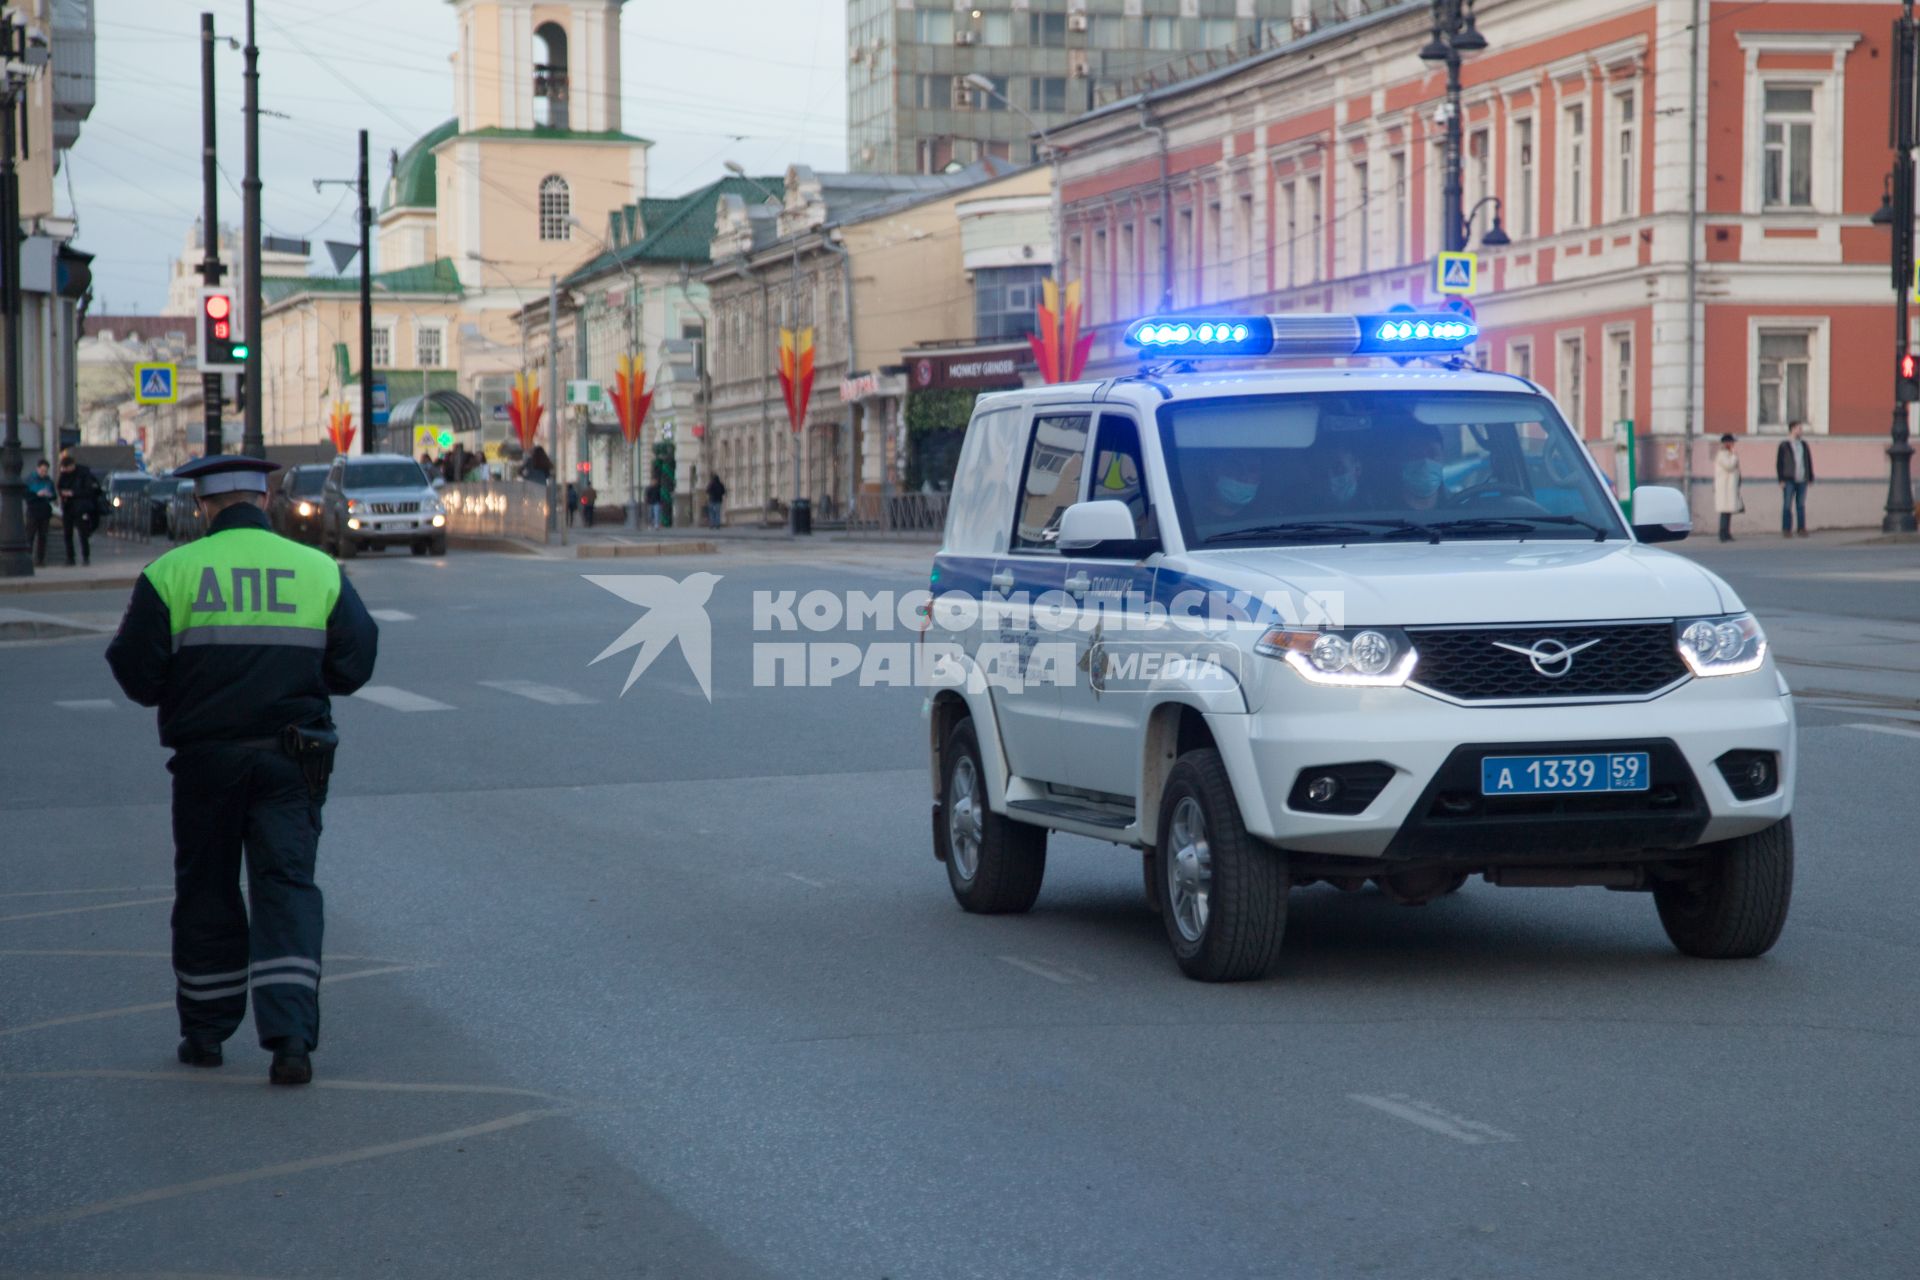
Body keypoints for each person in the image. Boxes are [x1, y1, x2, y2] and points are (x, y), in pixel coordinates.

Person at [104, 455, 379, 1086]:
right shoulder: (317, 569)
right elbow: (355, 664)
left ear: (204, 506)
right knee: (286, 888)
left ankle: (204, 1033)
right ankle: (290, 1044)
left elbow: (136, 673)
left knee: (206, 888)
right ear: (267, 500)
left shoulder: (170, 573)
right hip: (293, 759)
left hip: (205, 762)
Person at [57, 450, 102, 566]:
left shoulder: (83, 473)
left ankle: (86, 557)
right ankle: (70, 558)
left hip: (81, 507)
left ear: (72, 465)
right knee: (67, 533)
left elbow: (88, 490)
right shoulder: (64, 475)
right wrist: (63, 493)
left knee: (83, 533)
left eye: (67, 468)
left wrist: (72, 493)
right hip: (68, 507)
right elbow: (60, 486)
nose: (66, 471)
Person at [1775, 419, 1814, 537]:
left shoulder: (1804, 445)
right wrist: (1780, 479)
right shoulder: (1784, 445)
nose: (1801, 431)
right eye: (1799, 428)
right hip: (1788, 479)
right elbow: (1779, 463)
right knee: (1787, 505)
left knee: (1800, 505)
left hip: (1802, 479)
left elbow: (1808, 461)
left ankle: (1801, 528)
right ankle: (1786, 529)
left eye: (1801, 428)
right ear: (1792, 429)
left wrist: (1810, 477)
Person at [1396, 425, 1447, 511]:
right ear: (1400, 460)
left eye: (1432, 453)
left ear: (1443, 458)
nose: (1425, 462)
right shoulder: (1380, 511)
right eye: (1415, 454)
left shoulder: (1463, 509)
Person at [1714, 433, 1743, 542]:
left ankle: (1727, 533)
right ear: (1726, 443)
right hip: (1724, 488)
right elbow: (1729, 465)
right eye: (1731, 442)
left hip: (1729, 487)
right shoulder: (1722, 454)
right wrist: (1735, 455)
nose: (1733, 444)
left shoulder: (1728, 453)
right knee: (1724, 511)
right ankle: (1722, 533)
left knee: (1728, 511)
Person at [26, 457, 55, 566]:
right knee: (30, 536)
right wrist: (37, 494)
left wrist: (49, 495)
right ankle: (28, 559)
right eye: (42, 471)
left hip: (44, 511)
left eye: (45, 471)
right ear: (37, 469)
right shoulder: (30, 480)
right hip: (33, 510)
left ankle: (40, 560)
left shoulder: (48, 481)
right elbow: (26, 495)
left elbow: (54, 495)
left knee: (43, 536)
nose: (44, 473)